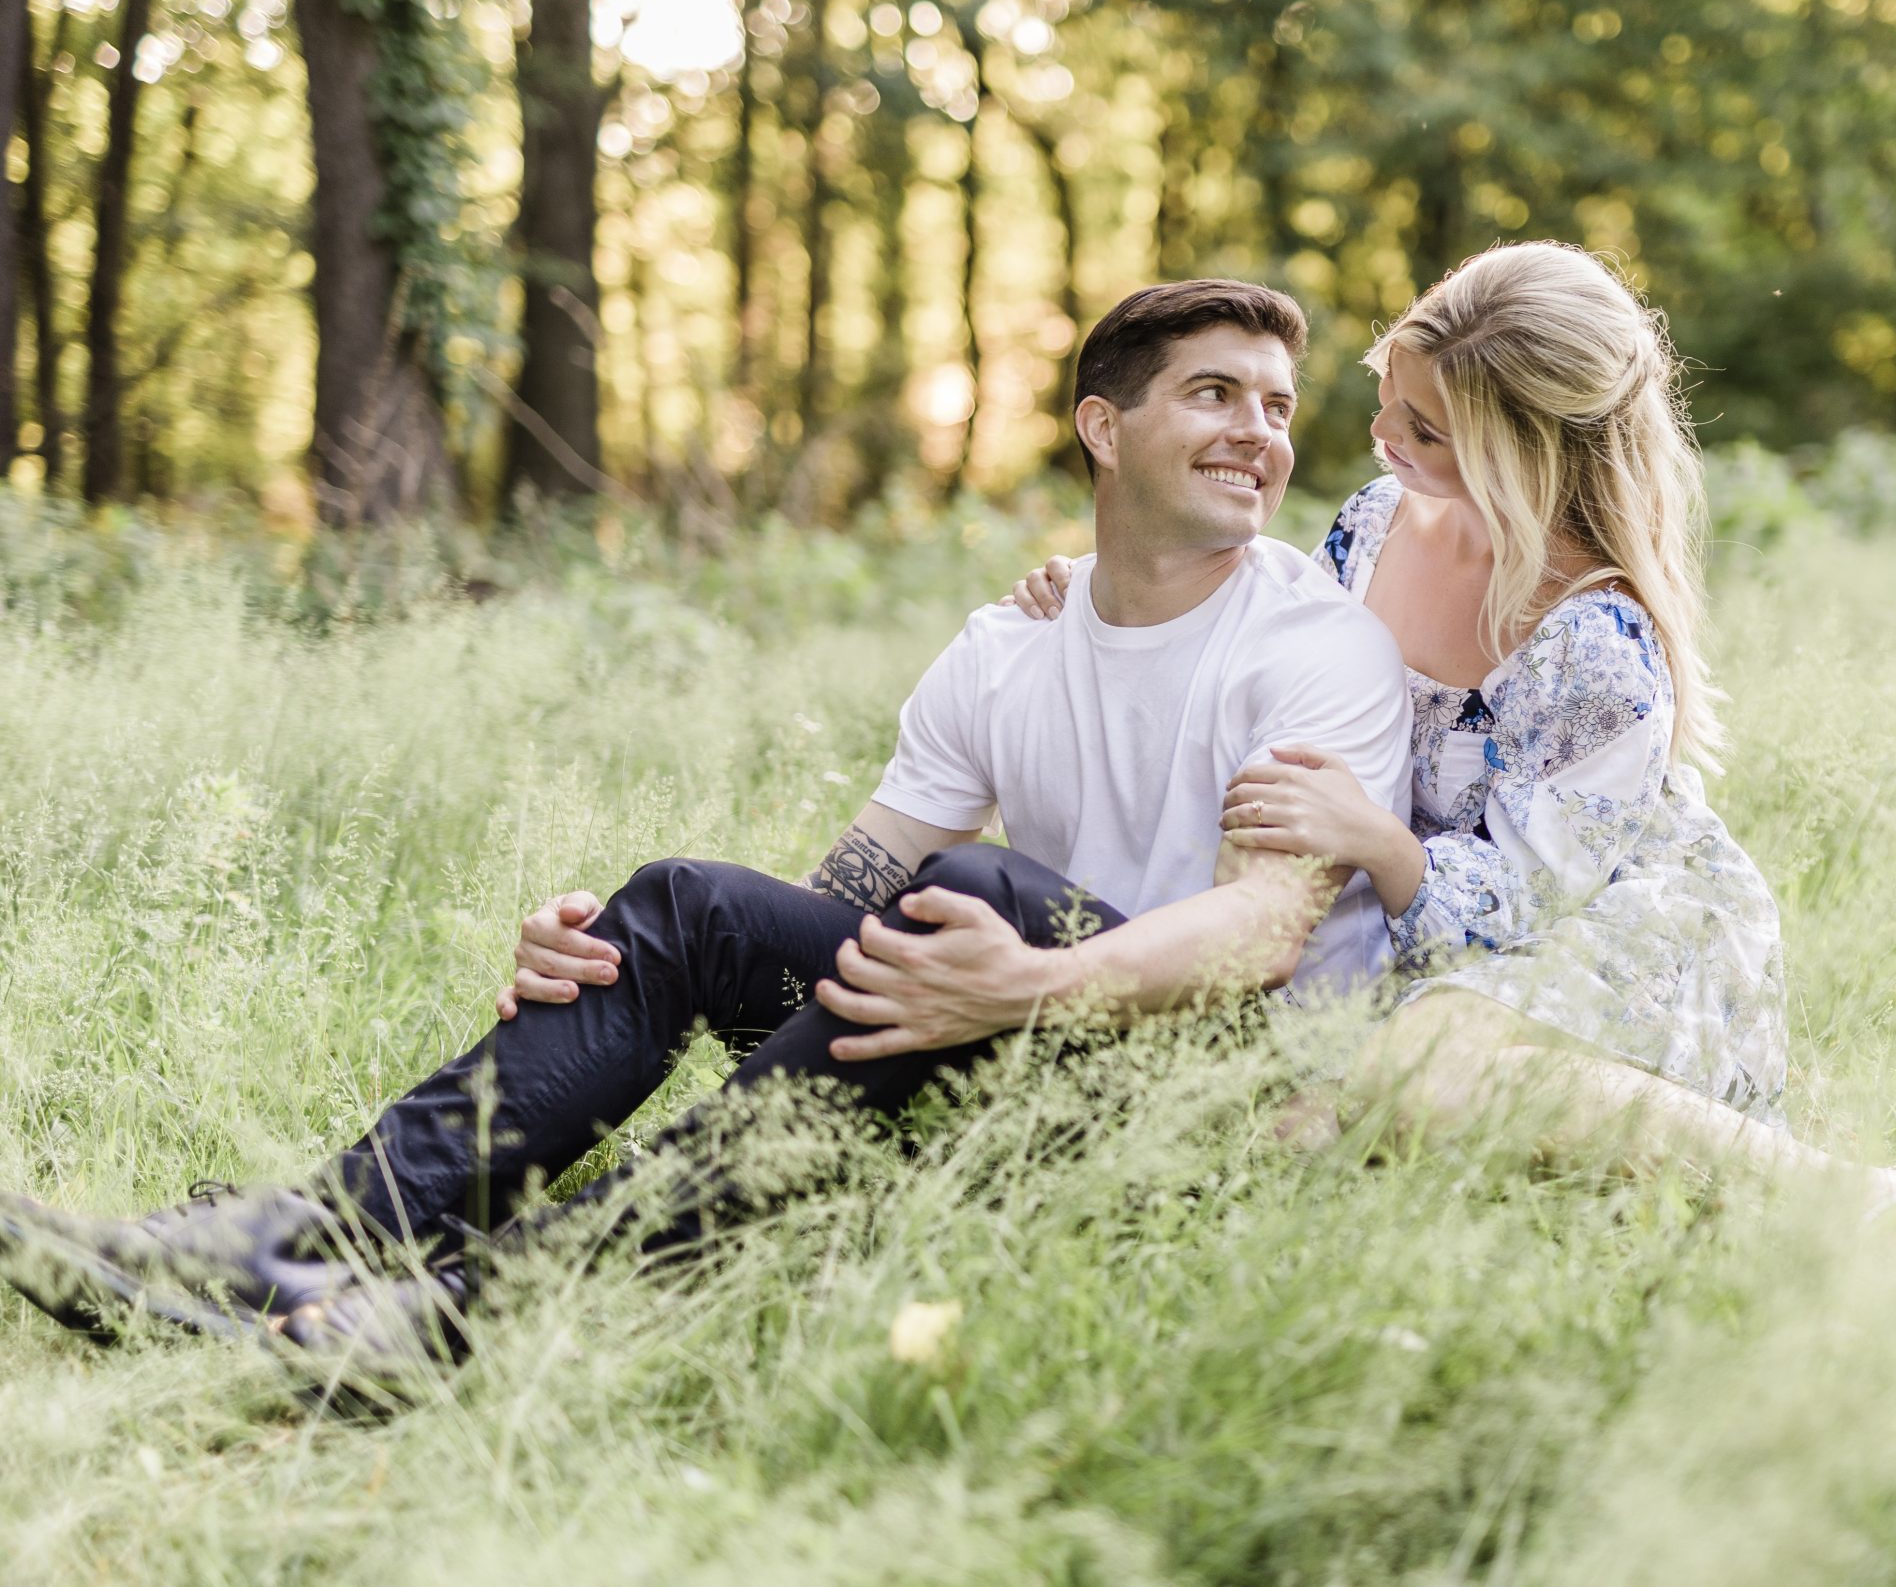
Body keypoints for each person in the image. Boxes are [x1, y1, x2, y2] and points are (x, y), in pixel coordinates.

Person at [0, 279, 1415, 1359]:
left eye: (1279, 406)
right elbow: (853, 883)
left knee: (981, 886)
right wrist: (615, 967)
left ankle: (452, 1316)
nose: (1261, 433)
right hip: (975, 1019)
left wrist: (1034, 975)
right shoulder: (1006, 645)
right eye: (1217, 394)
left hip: (1175, 1085)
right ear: (1107, 430)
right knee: (687, 901)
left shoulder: (1313, 645)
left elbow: (1267, 928)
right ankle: (289, 1240)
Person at [1003, 243, 1896, 1243]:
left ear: (1516, 451)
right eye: (1389, 394)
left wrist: (1383, 846)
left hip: (1588, 921)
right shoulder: (1383, 517)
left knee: (1416, 1076)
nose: (1380, 432)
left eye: (1422, 427)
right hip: (1394, 909)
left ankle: (1855, 1202)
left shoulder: (1592, 638)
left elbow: (1528, 898)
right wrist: (1096, 591)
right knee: (1283, 1131)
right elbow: (1261, 640)